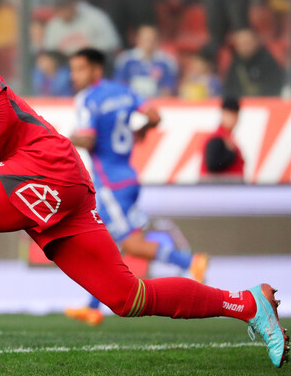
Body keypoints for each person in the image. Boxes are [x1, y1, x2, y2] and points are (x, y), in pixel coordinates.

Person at [0, 16, 290, 373]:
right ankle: (249, 304)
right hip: (39, 191)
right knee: (127, 297)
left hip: (47, 166)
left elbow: (1, 114)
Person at [64, 48, 208, 326]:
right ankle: (93, 306)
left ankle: (189, 261)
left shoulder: (87, 99)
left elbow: (89, 140)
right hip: (128, 177)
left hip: (109, 185)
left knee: (131, 244)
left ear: (96, 70)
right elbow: (154, 115)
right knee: (107, 243)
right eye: (72, 69)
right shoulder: (124, 91)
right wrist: (141, 131)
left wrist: (67, 138)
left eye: (79, 69)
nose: (74, 75)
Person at [43, 0, 120, 60]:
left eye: (65, 8)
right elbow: (50, 53)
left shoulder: (95, 17)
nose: (63, 13)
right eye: (59, 9)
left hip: (93, 63)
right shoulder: (54, 24)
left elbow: (110, 47)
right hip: (65, 66)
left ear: (73, 4)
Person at [113, 25, 178, 98]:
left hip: (156, 103)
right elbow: (119, 85)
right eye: (146, 39)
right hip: (131, 103)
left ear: (157, 41)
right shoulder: (125, 59)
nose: (149, 43)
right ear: (138, 40)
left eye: (152, 39)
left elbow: (168, 89)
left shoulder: (166, 62)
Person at [199, 96, 244, 183]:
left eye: (235, 115)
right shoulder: (216, 138)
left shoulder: (227, 138)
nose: (233, 119)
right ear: (223, 114)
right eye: (230, 114)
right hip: (219, 191)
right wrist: (231, 154)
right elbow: (212, 164)